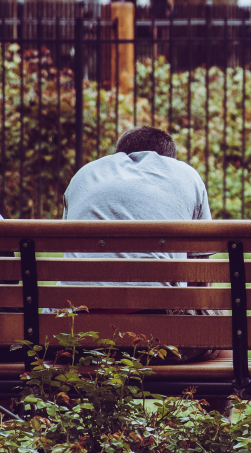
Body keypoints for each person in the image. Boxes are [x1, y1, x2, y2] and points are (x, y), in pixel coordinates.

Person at [60, 126, 223, 358]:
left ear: (119, 154)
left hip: (73, 338)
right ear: (168, 158)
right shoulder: (184, 174)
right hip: (155, 343)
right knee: (226, 330)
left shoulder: (83, 175)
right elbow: (200, 280)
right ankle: (216, 391)